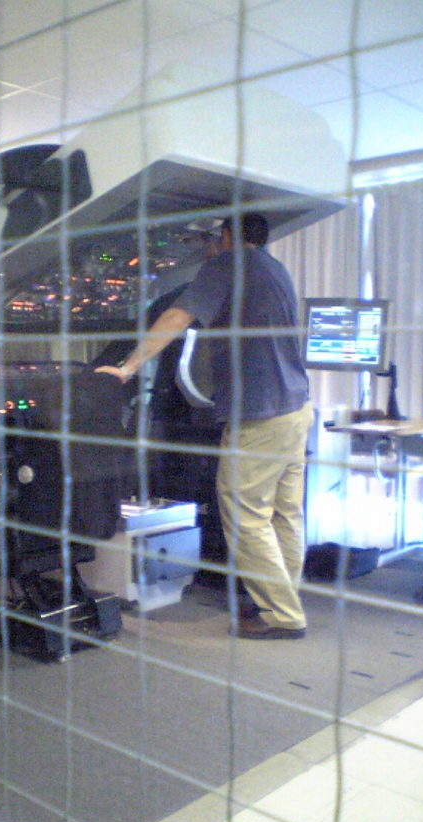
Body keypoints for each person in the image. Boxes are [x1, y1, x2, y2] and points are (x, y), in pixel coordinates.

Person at [96, 212, 313, 639]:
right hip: (295, 408)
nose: (210, 244)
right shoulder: (275, 269)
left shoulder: (229, 264)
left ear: (229, 235)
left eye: (215, 236)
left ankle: (282, 615)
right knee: (284, 514)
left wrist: (128, 366)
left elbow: (178, 316)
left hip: (259, 415)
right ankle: (282, 599)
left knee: (246, 516)